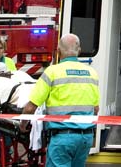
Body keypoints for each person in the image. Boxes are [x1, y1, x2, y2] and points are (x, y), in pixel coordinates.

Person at [20, 33, 99, 167]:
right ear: (79, 50)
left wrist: (22, 125)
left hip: (62, 138)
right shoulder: (91, 73)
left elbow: (30, 107)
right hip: (85, 138)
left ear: (58, 51)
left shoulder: (52, 72)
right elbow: (95, 109)